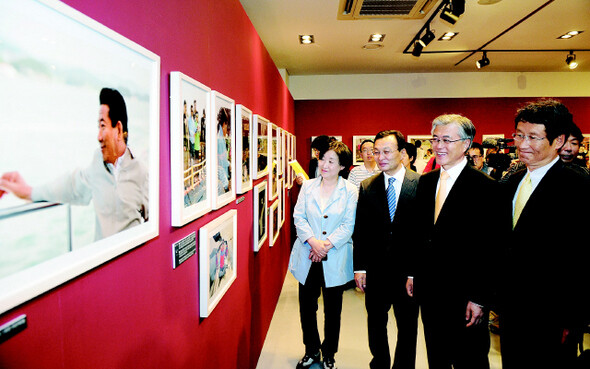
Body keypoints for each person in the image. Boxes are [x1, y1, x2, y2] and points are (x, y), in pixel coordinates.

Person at [499, 99, 590, 369]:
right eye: (519, 135)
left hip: (552, 315)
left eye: (534, 137)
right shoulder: (511, 182)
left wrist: (572, 319)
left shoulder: (578, 186)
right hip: (511, 309)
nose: (523, 144)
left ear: (558, 140)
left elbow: (582, 257)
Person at [408, 114, 503, 369]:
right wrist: (413, 274)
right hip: (430, 292)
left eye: (446, 140)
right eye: (435, 139)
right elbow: (420, 234)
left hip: (465, 297)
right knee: (436, 357)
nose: (438, 146)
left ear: (466, 144)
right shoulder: (426, 182)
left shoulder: (485, 187)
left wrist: (480, 298)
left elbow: (491, 249)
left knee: (469, 359)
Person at [0, 88, 148, 241]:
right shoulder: (97, 165)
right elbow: (68, 186)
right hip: (103, 260)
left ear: (118, 129)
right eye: (98, 127)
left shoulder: (141, 173)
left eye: (103, 126)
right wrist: (28, 191)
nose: (98, 136)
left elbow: (155, 226)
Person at [353, 130, 420, 369]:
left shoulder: (421, 184)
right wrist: (359, 267)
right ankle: (379, 363)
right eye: (376, 152)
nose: (379, 157)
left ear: (402, 153)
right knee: (375, 323)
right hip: (376, 270)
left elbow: (424, 235)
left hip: (407, 274)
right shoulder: (367, 185)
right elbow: (360, 229)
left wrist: (415, 272)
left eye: (386, 151)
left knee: (408, 326)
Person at [289, 141, 358, 369]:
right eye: (322, 159)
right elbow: (299, 217)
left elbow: (348, 225)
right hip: (308, 255)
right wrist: (313, 242)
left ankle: (329, 353)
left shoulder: (350, 190)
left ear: (342, 166)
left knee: (333, 310)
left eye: (331, 161)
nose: (324, 165)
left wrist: (324, 246)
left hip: (333, 256)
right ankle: (311, 350)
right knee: (307, 308)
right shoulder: (308, 186)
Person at [216, 107, 231, 194]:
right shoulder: (220, 140)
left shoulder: (219, 138)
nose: (227, 131)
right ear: (224, 124)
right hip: (222, 177)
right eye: (226, 127)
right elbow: (222, 161)